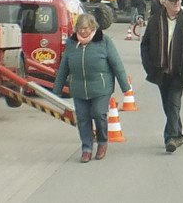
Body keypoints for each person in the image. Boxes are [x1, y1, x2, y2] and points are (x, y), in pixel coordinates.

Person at [54, 13, 131, 163]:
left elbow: (117, 64)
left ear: (92, 27)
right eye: (80, 29)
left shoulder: (104, 41)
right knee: (82, 119)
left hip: (101, 87)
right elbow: (64, 67)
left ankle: (102, 142)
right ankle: (87, 148)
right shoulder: (71, 43)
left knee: (98, 113)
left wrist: (125, 87)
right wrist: (57, 89)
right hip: (79, 89)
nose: (83, 32)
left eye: (86, 28)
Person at [139, 0, 183, 154]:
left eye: (179, 0)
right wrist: (148, 66)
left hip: (180, 71)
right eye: (174, 0)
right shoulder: (155, 20)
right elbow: (145, 45)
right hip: (161, 71)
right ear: (165, 2)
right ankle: (179, 133)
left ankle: (170, 138)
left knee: (173, 103)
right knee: (168, 105)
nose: (177, 3)